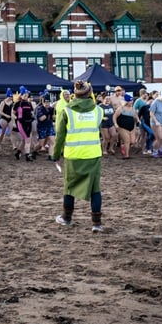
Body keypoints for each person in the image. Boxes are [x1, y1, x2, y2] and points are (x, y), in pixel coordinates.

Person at [53, 80, 105, 232]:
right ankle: (96, 224)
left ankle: (66, 218)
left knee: (69, 188)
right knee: (95, 189)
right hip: (93, 155)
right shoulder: (98, 111)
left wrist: (55, 155)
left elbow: (60, 136)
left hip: (73, 156)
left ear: (74, 95)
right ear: (90, 93)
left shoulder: (67, 111)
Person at [13, 86, 35, 161]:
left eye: (26, 95)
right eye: (24, 95)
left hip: (28, 122)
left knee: (25, 139)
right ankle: (27, 155)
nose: (26, 96)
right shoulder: (18, 103)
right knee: (27, 139)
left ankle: (18, 152)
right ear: (21, 95)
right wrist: (16, 119)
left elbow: (32, 112)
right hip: (21, 123)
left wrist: (32, 116)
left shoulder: (29, 103)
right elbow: (13, 113)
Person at [113, 94, 138, 159]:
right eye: (130, 101)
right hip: (122, 126)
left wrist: (138, 120)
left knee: (132, 141)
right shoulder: (121, 109)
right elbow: (114, 117)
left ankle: (123, 146)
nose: (131, 102)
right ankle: (126, 155)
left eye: (132, 101)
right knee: (127, 140)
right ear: (126, 102)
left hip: (131, 126)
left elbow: (135, 115)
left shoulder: (132, 108)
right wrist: (115, 124)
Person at [35, 93, 55, 160]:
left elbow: (53, 118)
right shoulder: (39, 109)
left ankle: (50, 156)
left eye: (48, 102)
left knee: (53, 141)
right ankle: (34, 151)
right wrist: (48, 112)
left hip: (49, 126)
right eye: (45, 102)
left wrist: (54, 114)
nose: (47, 104)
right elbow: (41, 118)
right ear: (43, 102)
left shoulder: (51, 109)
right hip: (42, 127)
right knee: (41, 144)